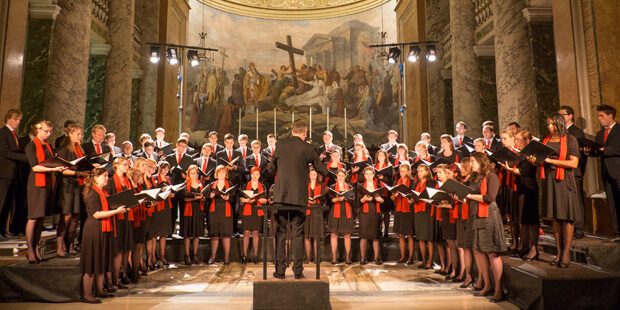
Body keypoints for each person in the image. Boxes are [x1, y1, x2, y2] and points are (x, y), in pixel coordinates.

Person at [267, 120, 327, 279]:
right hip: (299, 197)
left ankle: (280, 271)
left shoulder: (280, 145)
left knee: (280, 234)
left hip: (280, 197)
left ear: (292, 130)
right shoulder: (308, 147)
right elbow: (321, 169)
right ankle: (298, 271)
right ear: (304, 133)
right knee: (298, 234)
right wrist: (333, 174)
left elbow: (271, 169)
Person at [529, 114, 580, 268]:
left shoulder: (570, 139)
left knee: (566, 217)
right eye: (548, 124)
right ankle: (558, 252)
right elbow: (541, 161)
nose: (549, 127)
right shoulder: (545, 140)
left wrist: (550, 160)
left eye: (551, 124)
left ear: (559, 124)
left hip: (564, 180)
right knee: (555, 218)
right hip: (549, 181)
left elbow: (574, 163)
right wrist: (535, 161)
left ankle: (566, 253)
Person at [80, 168, 127, 303]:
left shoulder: (103, 192)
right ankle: (87, 294)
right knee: (92, 261)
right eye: (105, 176)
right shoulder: (92, 192)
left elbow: (108, 208)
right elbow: (96, 214)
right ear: (95, 178)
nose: (107, 178)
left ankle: (100, 290)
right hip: (94, 229)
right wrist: (116, 212)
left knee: (102, 259)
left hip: (104, 228)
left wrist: (121, 209)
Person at [466, 152, 506, 302]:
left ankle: (498, 288)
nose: (470, 164)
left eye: (472, 161)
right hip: (476, 215)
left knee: (491, 252)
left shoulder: (492, 176)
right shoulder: (474, 177)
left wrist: (469, 196)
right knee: (479, 250)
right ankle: (487, 285)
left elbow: (490, 197)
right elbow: (470, 195)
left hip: (488, 216)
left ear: (481, 162)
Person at [25, 120, 67, 263]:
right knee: (34, 217)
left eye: (50, 132)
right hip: (36, 183)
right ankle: (30, 249)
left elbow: (52, 160)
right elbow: (35, 167)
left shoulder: (47, 146)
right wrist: (54, 169)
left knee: (41, 217)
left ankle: (36, 247)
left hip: (48, 182)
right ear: (38, 130)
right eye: (45, 131)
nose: (48, 134)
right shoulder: (31, 146)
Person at [587, 104, 620, 241]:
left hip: (618, 172)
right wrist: (590, 151)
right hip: (606, 173)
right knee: (612, 204)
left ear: (610, 116)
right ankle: (617, 232)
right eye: (598, 116)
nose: (599, 119)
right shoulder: (600, 134)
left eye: (601, 116)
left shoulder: (619, 130)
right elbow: (597, 151)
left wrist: (604, 150)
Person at [505, 130, 539, 260]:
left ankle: (534, 248)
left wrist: (510, 169)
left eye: (519, 140)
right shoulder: (522, 153)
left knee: (531, 221)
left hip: (529, 188)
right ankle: (524, 246)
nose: (516, 142)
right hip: (521, 188)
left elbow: (525, 171)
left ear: (527, 141)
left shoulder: (531, 154)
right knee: (524, 220)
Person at [55, 123, 88, 257]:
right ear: (69, 134)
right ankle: (60, 245)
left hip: (78, 185)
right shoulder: (64, 149)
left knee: (75, 216)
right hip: (67, 186)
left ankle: (70, 244)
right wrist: (78, 173)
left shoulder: (79, 149)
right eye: (77, 134)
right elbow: (61, 170)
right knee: (66, 216)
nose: (80, 137)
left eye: (81, 134)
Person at [104, 156, 133, 287]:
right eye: (124, 164)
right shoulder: (111, 181)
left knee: (126, 248)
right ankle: (114, 279)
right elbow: (108, 201)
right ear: (116, 166)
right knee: (118, 249)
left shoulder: (126, 180)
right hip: (117, 218)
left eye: (128, 165)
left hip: (126, 217)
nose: (127, 167)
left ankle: (123, 274)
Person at [559, 106, 587, 239]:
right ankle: (570, 226)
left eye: (562, 115)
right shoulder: (561, 132)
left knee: (577, 200)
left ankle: (579, 228)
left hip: (574, 170)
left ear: (570, 116)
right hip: (564, 171)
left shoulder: (576, 132)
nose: (560, 118)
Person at [0, 109, 27, 240]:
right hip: (5, 174)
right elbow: (5, 152)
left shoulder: (13, 134)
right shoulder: (3, 133)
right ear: (8, 118)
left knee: (8, 204)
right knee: (2, 203)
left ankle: (3, 230)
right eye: (16, 119)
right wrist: (25, 158)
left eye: (20, 120)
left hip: (14, 174)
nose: (18, 122)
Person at [435, 164, 460, 281]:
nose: (447, 175)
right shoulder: (444, 186)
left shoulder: (455, 185)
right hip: (445, 215)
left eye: (448, 173)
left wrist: (446, 204)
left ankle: (456, 270)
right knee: (450, 244)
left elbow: (457, 203)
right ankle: (453, 269)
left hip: (453, 217)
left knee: (454, 244)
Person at [207, 165, 235, 265]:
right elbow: (206, 199)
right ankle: (213, 257)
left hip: (226, 211)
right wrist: (210, 196)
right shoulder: (211, 185)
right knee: (215, 236)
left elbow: (234, 199)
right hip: (214, 212)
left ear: (226, 174)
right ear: (216, 174)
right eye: (220, 172)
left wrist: (228, 198)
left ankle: (226, 258)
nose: (222, 174)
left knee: (226, 235)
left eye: (223, 172)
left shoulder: (230, 184)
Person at [240, 167, 267, 264]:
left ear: (259, 175)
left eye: (257, 174)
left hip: (257, 211)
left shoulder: (262, 186)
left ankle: (256, 256)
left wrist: (257, 199)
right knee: (246, 233)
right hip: (248, 210)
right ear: (250, 175)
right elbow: (241, 199)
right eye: (253, 174)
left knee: (255, 233)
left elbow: (265, 200)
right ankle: (245, 256)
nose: (255, 176)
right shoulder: (245, 185)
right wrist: (246, 200)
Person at [328, 168, 355, 264]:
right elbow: (330, 200)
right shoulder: (332, 186)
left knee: (347, 235)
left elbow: (353, 200)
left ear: (345, 177)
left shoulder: (349, 187)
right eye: (339, 175)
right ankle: (334, 257)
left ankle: (348, 258)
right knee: (333, 234)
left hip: (346, 210)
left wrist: (345, 198)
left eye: (342, 176)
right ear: (336, 177)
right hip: (335, 210)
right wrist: (336, 199)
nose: (340, 177)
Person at [358, 167, 384, 265]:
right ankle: (362, 258)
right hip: (364, 213)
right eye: (367, 174)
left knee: (375, 236)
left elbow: (383, 200)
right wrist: (363, 199)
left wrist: (379, 199)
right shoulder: (361, 186)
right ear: (364, 175)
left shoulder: (378, 185)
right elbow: (358, 201)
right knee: (363, 236)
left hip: (375, 212)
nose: (369, 176)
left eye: (370, 174)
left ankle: (376, 258)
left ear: (373, 175)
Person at [181, 165, 205, 265]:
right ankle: (187, 256)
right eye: (191, 173)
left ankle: (195, 255)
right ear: (188, 174)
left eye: (195, 173)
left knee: (196, 234)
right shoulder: (185, 184)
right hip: (188, 210)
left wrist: (203, 198)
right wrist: (195, 198)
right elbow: (184, 198)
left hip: (198, 210)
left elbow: (204, 197)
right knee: (187, 234)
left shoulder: (201, 184)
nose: (194, 175)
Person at [391, 163, 415, 265]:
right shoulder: (397, 182)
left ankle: (410, 257)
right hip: (399, 209)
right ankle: (402, 256)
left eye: (404, 171)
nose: (402, 173)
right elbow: (392, 198)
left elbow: (415, 197)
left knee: (409, 235)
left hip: (408, 210)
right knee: (400, 235)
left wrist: (409, 197)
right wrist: (395, 195)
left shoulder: (412, 183)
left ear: (408, 171)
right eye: (400, 171)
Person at [412, 163, 435, 269]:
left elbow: (432, 196)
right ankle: (423, 260)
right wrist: (411, 199)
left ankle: (430, 260)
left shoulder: (431, 183)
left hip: (427, 211)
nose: (419, 172)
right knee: (420, 237)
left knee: (429, 237)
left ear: (427, 172)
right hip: (417, 211)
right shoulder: (415, 183)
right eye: (418, 171)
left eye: (421, 170)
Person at [154, 161, 174, 265]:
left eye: (167, 169)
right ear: (159, 168)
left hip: (166, 206)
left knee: (164, 233)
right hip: (158, 206)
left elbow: (171, 190)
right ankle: (154, 256)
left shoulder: (169, 179)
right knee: (156, 232)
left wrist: (171, 194)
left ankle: (162, 255)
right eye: (163, 168)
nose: (165, 171)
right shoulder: (155, 178)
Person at [304, 167, 325, 264]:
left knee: (316, 236)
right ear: (309, 175)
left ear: (317, 176)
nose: (313, 176)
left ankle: (316, 257)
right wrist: (307, 200)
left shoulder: (321, 185)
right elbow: (301, 196)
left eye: (315, 175)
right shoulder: (305, 184)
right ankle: (308, 257)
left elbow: (323, 199)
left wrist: (317, 201)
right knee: (307, 236)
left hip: (317, 212)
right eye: (311, 174)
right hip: (307, 211)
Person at [374, 149, 393, 238]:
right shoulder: (375, 166)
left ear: (385, 157)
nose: (380, 157)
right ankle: (379, 230)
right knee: (379, 212)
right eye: (379, 155)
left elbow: (391, 181)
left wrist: (383, 178)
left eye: (382, 155)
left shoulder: (389, 166)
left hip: (386, 191)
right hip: (377, 191)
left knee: (386, 212)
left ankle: (386, 231)